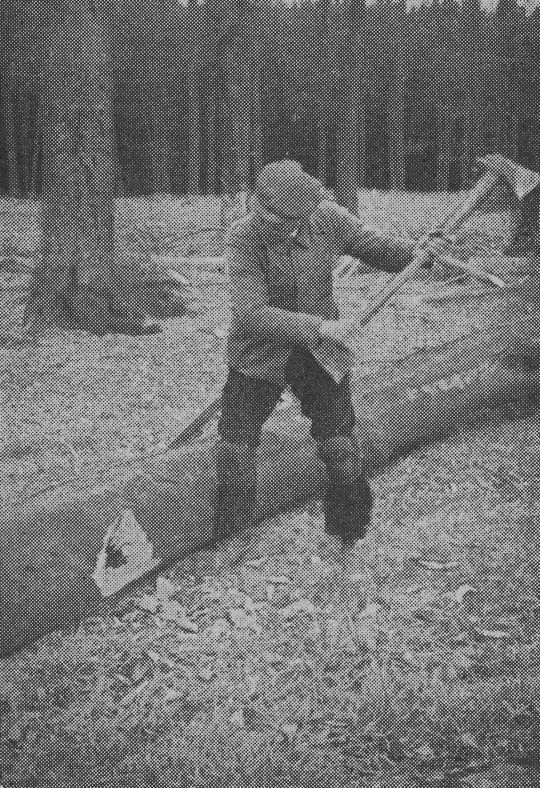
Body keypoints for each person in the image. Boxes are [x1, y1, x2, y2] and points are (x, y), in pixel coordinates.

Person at [213, 159, 438, 548]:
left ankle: (348, 531)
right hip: (261, 353)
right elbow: (250, 314)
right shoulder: (243, 236)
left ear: (302, 213)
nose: (266, 220)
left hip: (320, 353)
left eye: (278, 216)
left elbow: (374, 246)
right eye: (260, 209)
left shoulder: (327, 217)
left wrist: (416, 253)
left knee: (339, 444)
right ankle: (234, 536)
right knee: (236, 446)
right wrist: (319, 327)